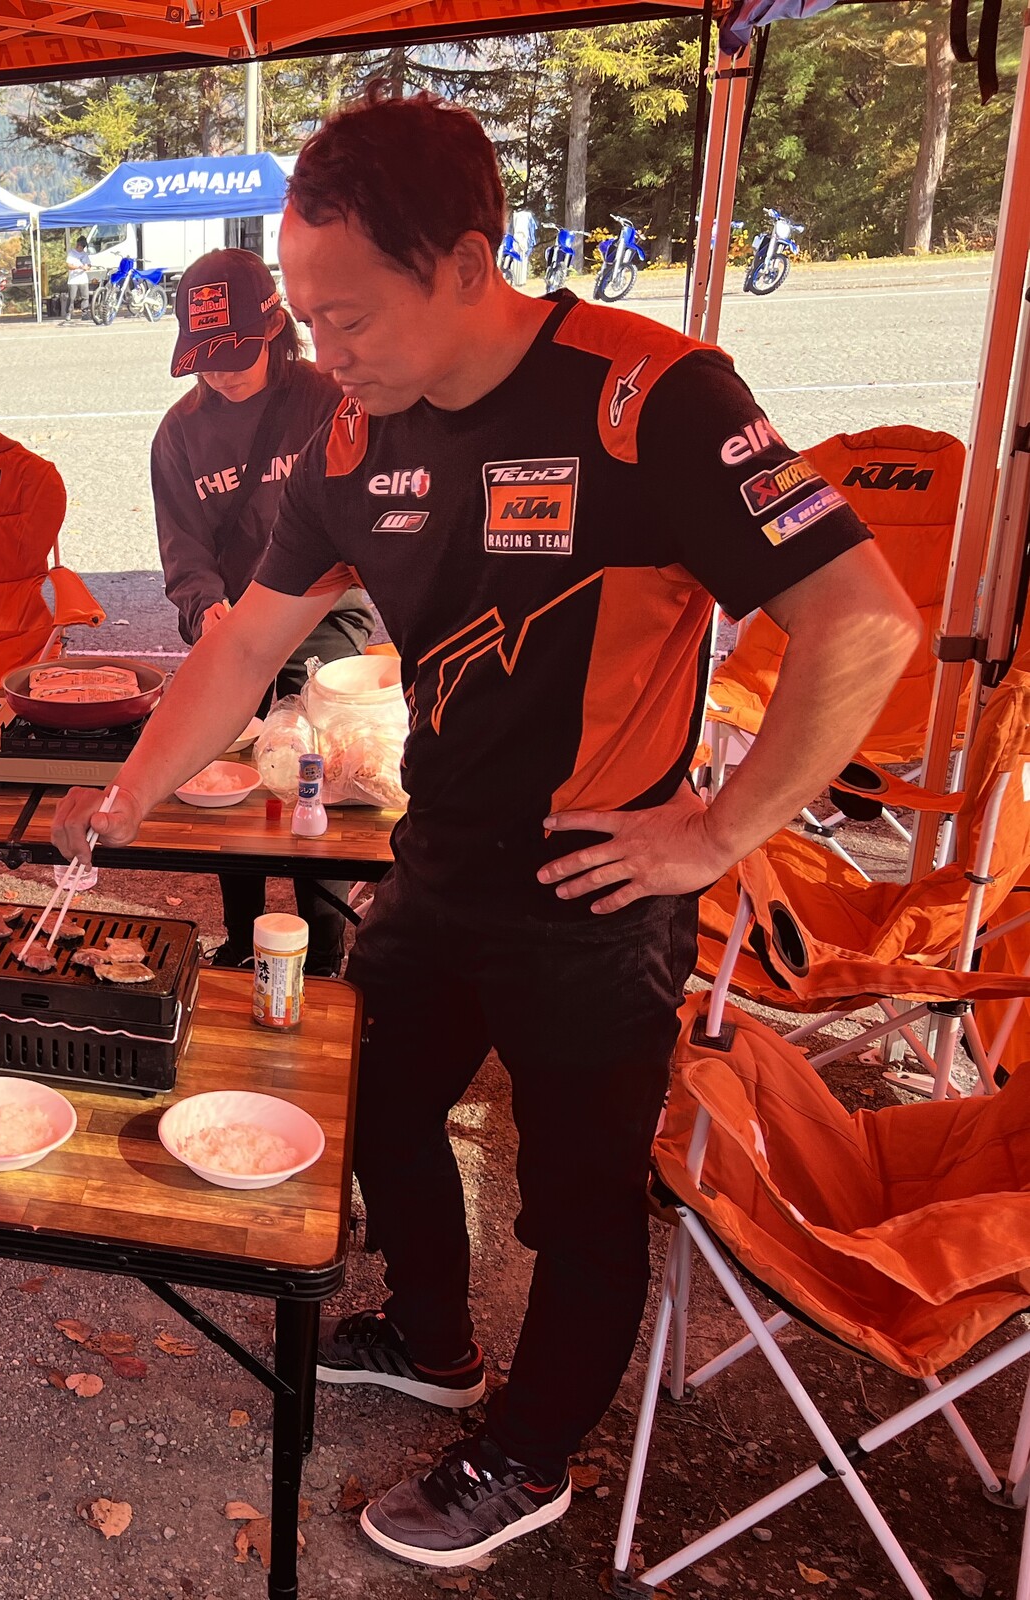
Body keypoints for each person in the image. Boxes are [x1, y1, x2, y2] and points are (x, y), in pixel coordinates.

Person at [53, 92, 917, 1570]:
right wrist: (121, 799)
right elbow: (243, 646)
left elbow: (865, 623)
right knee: (376, 1110)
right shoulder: (345, 438)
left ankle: (529, 1455)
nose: (326, 355)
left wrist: (718, 830)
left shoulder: (652, 397)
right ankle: (435, 1341)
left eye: (348, 315)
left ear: (465, 260)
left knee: (578, 1204)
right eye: (309, 319)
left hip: (599, 886)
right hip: (440, 858)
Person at [150, 247, 374, 972]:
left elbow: (367, 516)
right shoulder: (179, 434)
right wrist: (204, 610)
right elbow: (183, 550)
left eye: (237, 353)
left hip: (324, 610)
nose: (221, 370)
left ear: (277, 328)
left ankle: (324, 938)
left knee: (319, 763)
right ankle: (242, 934)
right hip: (233, 619)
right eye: (204, 359)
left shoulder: (329, 399)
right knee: (230, 767)